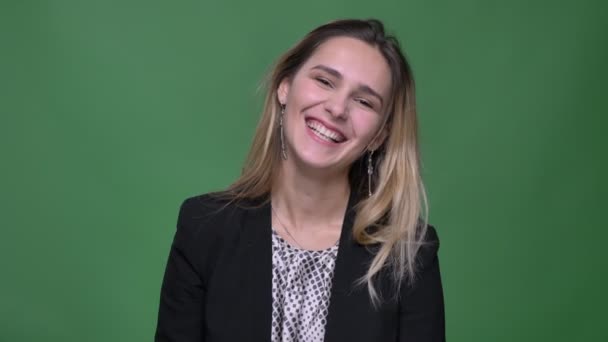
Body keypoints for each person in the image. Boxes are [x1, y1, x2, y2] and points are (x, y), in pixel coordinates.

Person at [155, 18, 445, 342]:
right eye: (324, 81)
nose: (337, 108)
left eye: (364, 101)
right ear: (285, 87)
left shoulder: (409, 253)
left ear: (379, 135)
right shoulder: (204, 229)